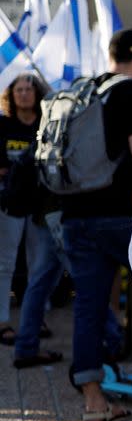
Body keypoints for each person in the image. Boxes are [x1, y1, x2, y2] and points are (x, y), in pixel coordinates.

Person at [61, 29, 132, 421]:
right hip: (120, 215)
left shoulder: (81, 91)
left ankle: (93, 401)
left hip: (74, 214)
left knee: (89, 306)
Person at [0, 73, 49, 348]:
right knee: (5, 264)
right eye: (18, 89)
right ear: (11, 94)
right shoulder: (3, 125)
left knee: (38, 266)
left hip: (39, 204)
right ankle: (3, 321)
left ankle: (34, 319)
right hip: (10, 205)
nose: (24, 93)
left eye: (29, 89)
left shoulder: (45, 123)